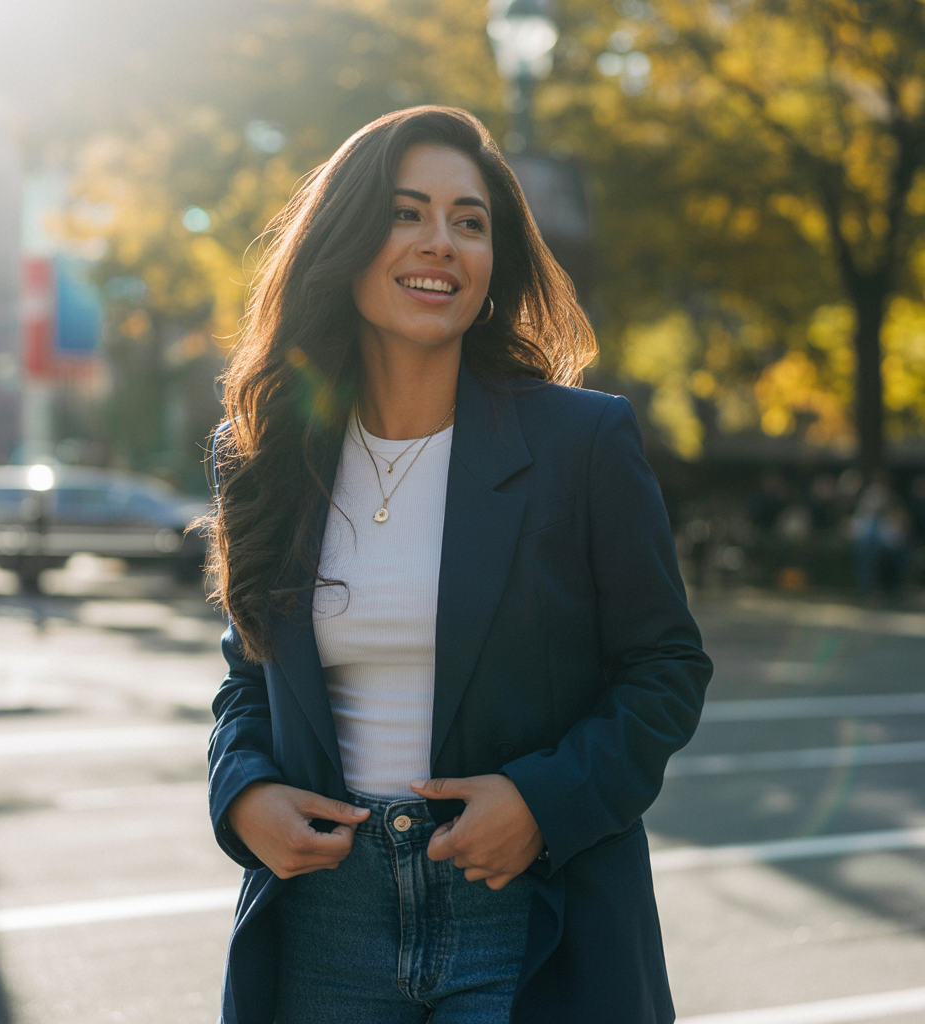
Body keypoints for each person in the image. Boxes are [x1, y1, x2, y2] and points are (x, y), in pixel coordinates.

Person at [204, 106, 713, 1024]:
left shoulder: (583, 443)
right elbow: (250, 676)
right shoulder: (266, 453)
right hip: (324, 927)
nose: (440, 242)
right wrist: (243, 796)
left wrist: (542, 802)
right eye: (406, 213)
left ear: (494, 262)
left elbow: (666, 670)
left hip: (525, 915)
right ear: (346, 239)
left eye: (469, 222)